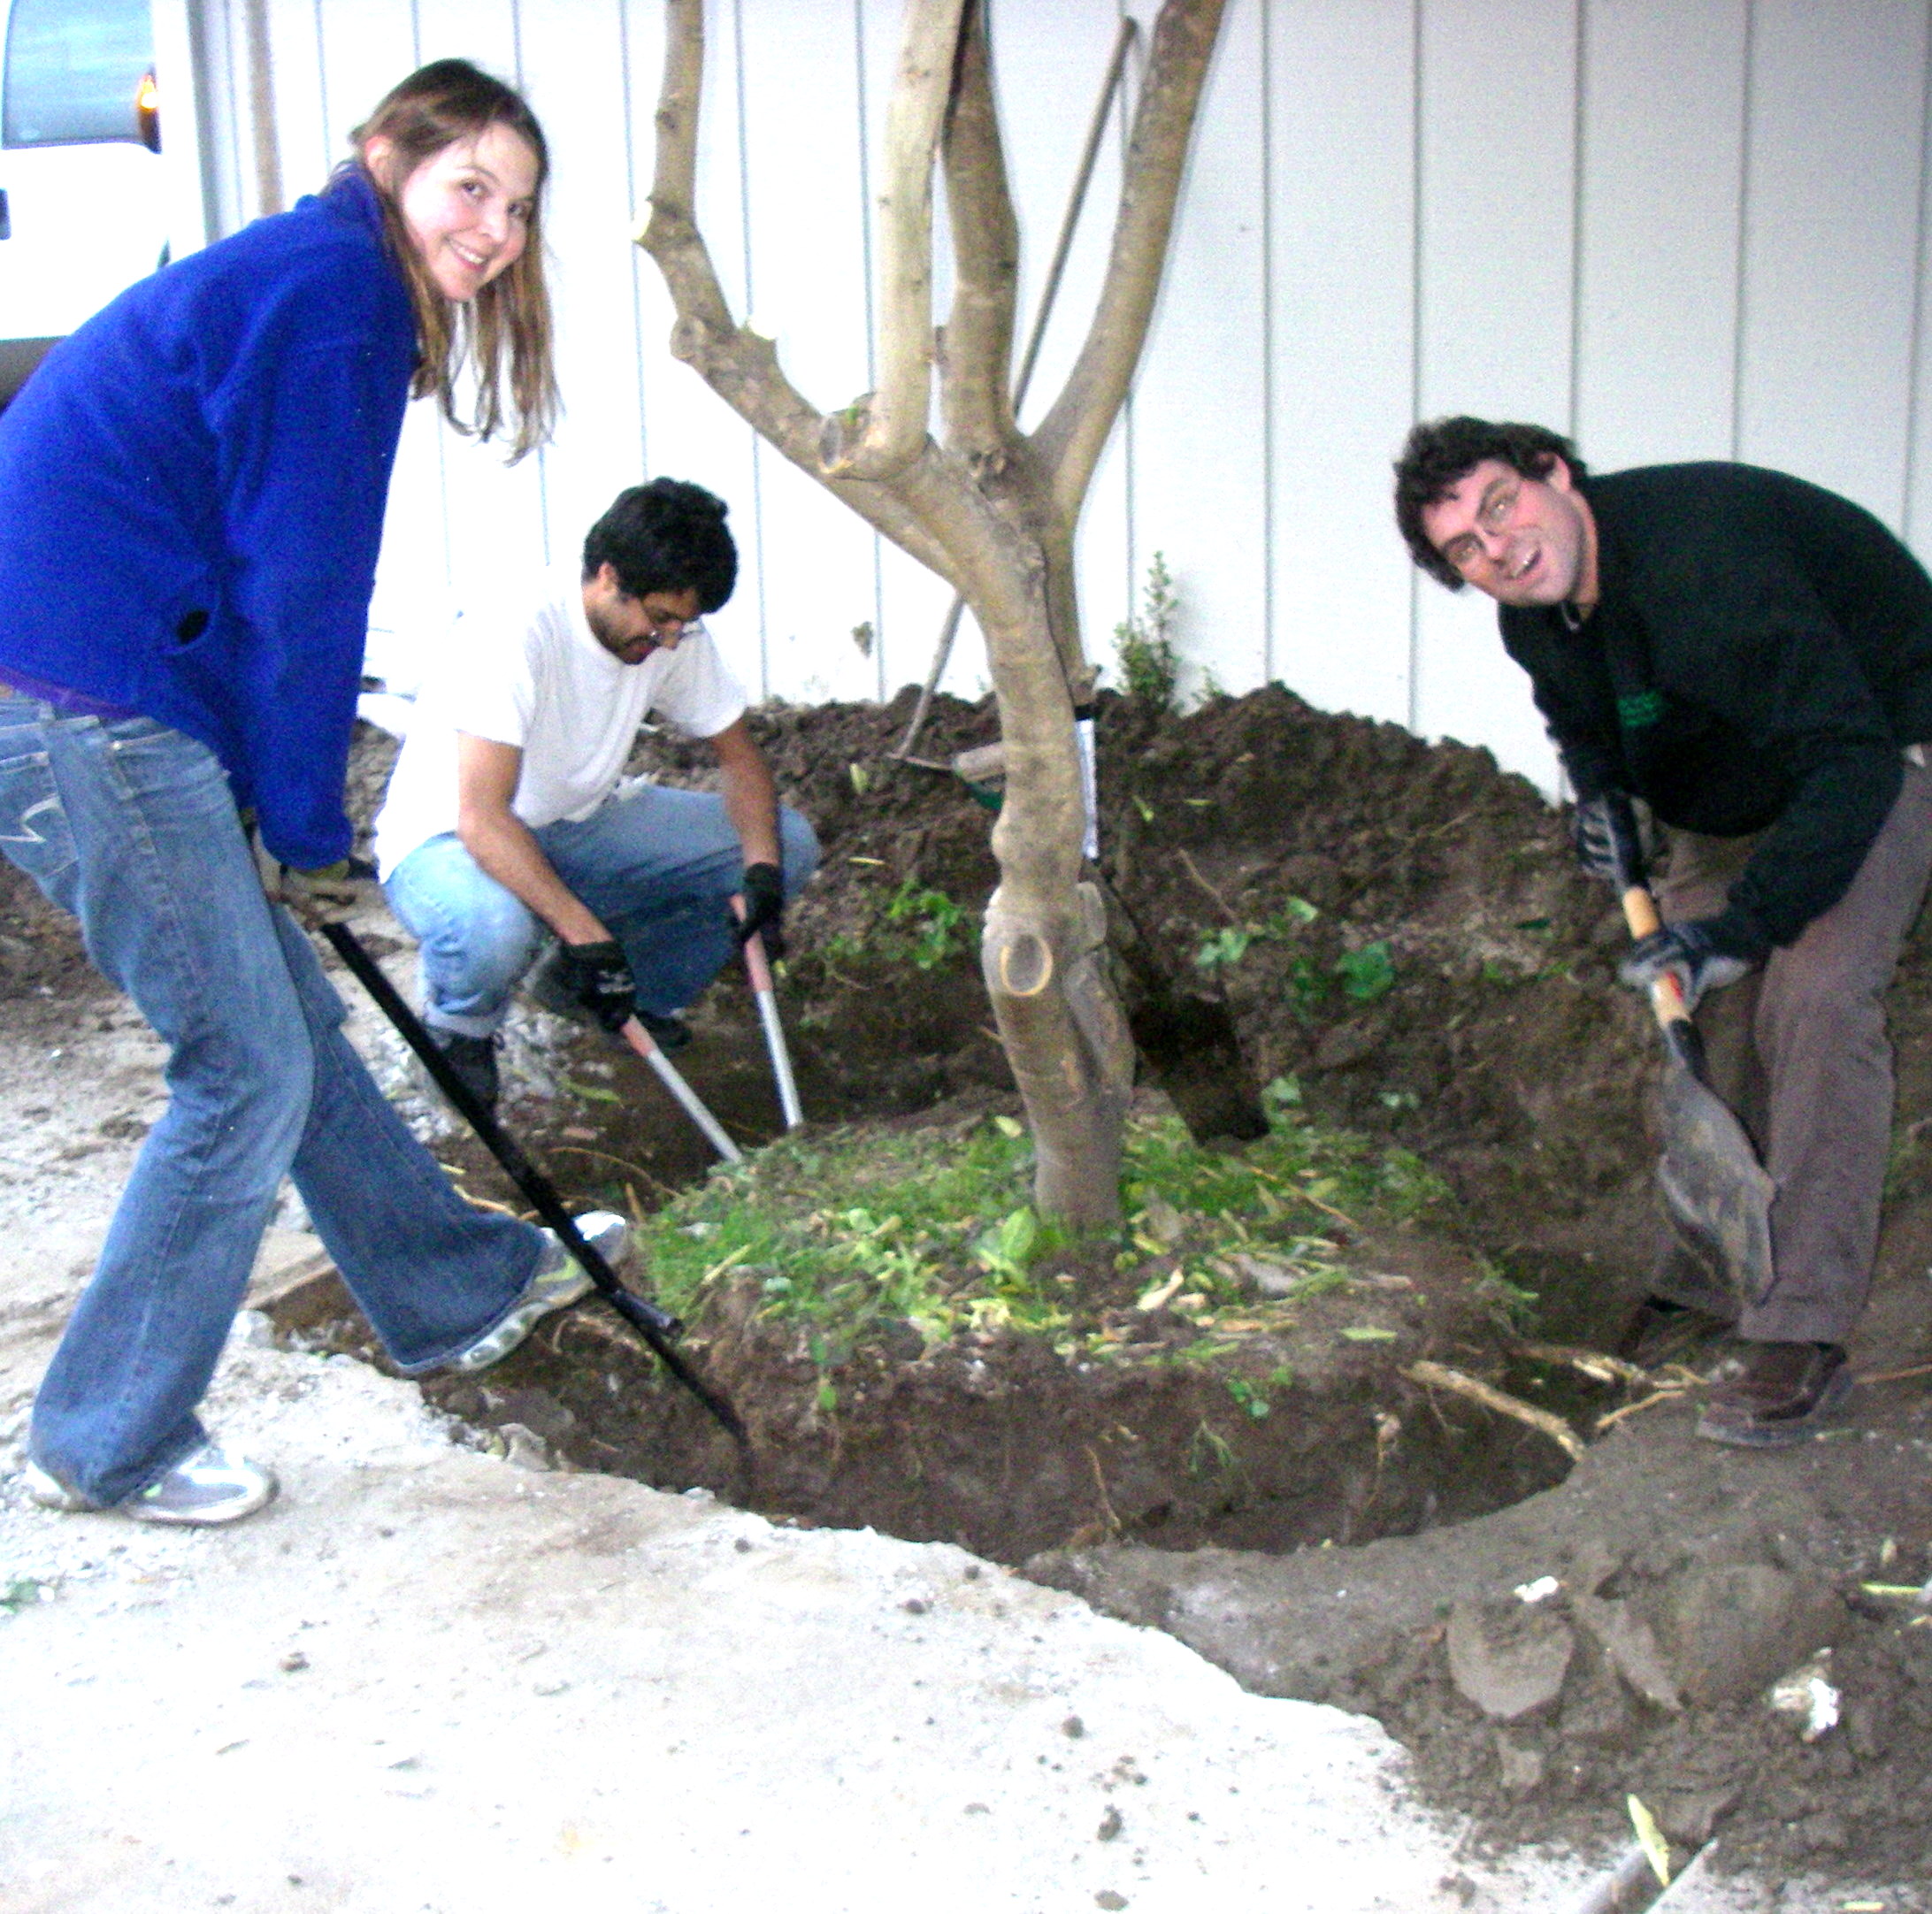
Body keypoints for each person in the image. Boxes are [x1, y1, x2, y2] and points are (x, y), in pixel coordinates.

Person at [0, 60, 625, 1528]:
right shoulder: (333, 296)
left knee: (283, 1019)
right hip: (78, 700)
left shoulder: (318, 276)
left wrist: (256, 796)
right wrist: (300, 821)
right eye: (470, 186)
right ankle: (107, 1435)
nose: (495, 229)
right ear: (387, 158)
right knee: (244, 1062)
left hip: (108, 679)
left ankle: (447, 1284)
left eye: (520, 207)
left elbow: (226, 548)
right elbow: (300, 582)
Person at [1393, 416, 1932, 1447]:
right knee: (1693, 1007)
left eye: (1500, 504)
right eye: (1465, 547)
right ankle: (1713, 1272)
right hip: (1737, 789)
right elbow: (1586, 727)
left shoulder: (1703, 563)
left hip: (1877, 750)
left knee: (1813, 999)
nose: (1496, 548)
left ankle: (1799, 1334)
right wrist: (1608, 807)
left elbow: (1851, 759)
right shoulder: (1538, 616)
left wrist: (1750, 922)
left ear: (1555, 473)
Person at [372, 478, 819, 1114]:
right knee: (493, 932)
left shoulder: (671, 635)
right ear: (609, 577)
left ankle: (606, 992)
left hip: (575, 824)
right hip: (451, 840)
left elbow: (739, 758)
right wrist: (585, 933)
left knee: (790, 842)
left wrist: (764, 877)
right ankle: (461, 1030)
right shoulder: (515, 629)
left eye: (683, 624)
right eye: (660, 618)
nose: (668, 640)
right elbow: (482, 819)